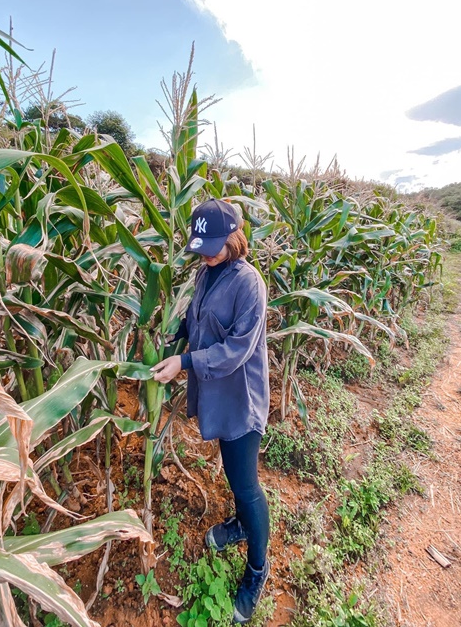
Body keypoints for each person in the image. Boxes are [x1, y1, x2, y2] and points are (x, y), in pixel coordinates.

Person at [151, 198, 270, 625]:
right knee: (232, 472)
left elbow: (237, 350)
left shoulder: (248, 283)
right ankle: (239, 524)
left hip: (241, 398)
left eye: (213, 246)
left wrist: (184, 362)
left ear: (234, 238)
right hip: (217, 394)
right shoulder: (205, 274)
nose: (205, 254)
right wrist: (172, 331)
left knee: (245, 483)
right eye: (201, 247)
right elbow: (196, 320)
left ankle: (257, 569)